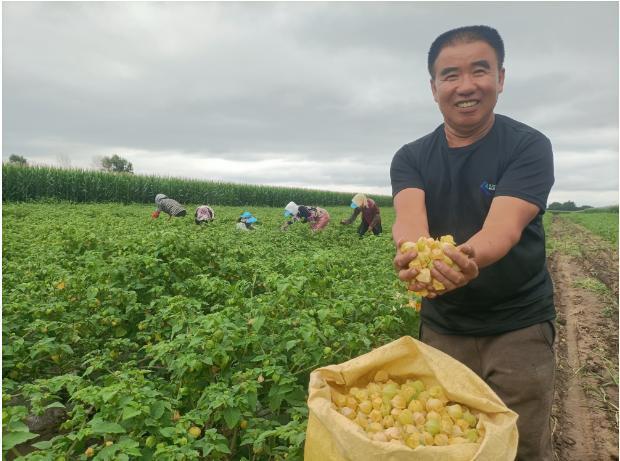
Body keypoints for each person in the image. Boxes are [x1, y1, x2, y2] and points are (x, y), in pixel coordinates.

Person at [390, 26, 555, 460]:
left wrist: (464, 258)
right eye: (450, 75)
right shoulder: (411, 157)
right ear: (433, 87)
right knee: (445, 439)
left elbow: (503, 230)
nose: (466, 86)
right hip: (444, 327)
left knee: (519, 446)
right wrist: (412, 255)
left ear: (500, 78)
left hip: (518, 326)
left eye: (479, 71)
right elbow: (409, 222)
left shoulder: (528, 146)